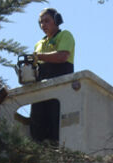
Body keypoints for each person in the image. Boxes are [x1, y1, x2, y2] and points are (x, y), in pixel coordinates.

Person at [29, 8, 75, 143]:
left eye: (47, 21)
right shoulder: (39, 44)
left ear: (57, 20)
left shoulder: (65, 35)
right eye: (41, 22)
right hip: (41, 88)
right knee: (37, 121)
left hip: (60, 85)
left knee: (56, 118)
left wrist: (38, 56)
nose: (43, 25)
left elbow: (62, 56)